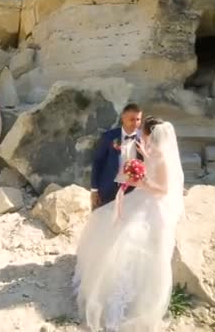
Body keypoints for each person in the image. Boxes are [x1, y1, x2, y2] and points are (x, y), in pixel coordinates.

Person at [73, 116, 185, 332]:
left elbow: (162, 190)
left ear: (151, 134)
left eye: (143, 131)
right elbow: (147, 160)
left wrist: (139, 182)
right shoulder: (154, 150)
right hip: (143, 196)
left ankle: (117, 296)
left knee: (126, 234)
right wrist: (141, 157)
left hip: (153, 203)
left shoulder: (161, 156)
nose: (140, 134)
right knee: (105, 218)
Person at [90, 103, 143, 210]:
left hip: (133, 189)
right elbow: (98, 162)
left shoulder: (143, 138)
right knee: (104, 220)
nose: (136, 123)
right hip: (108, 186)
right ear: (123, 118)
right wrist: (94, 190)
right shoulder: (109, 136)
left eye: (138, 119)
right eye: (132, 119)